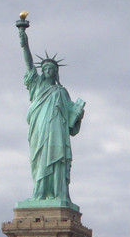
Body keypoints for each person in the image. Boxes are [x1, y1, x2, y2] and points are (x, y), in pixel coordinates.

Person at [17, 21, 85, 206]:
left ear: (55, 73)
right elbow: (29, 64)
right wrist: (24, 42)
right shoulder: (36, 86)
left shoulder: (61, 92)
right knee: (39, 161)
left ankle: (58, 193)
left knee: (57, 161)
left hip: (56, 133)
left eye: (51, 69)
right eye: (45, 68)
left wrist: (78, 113)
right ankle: (39, 194)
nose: (47, 71)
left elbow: (72, 123)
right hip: (39, 130)